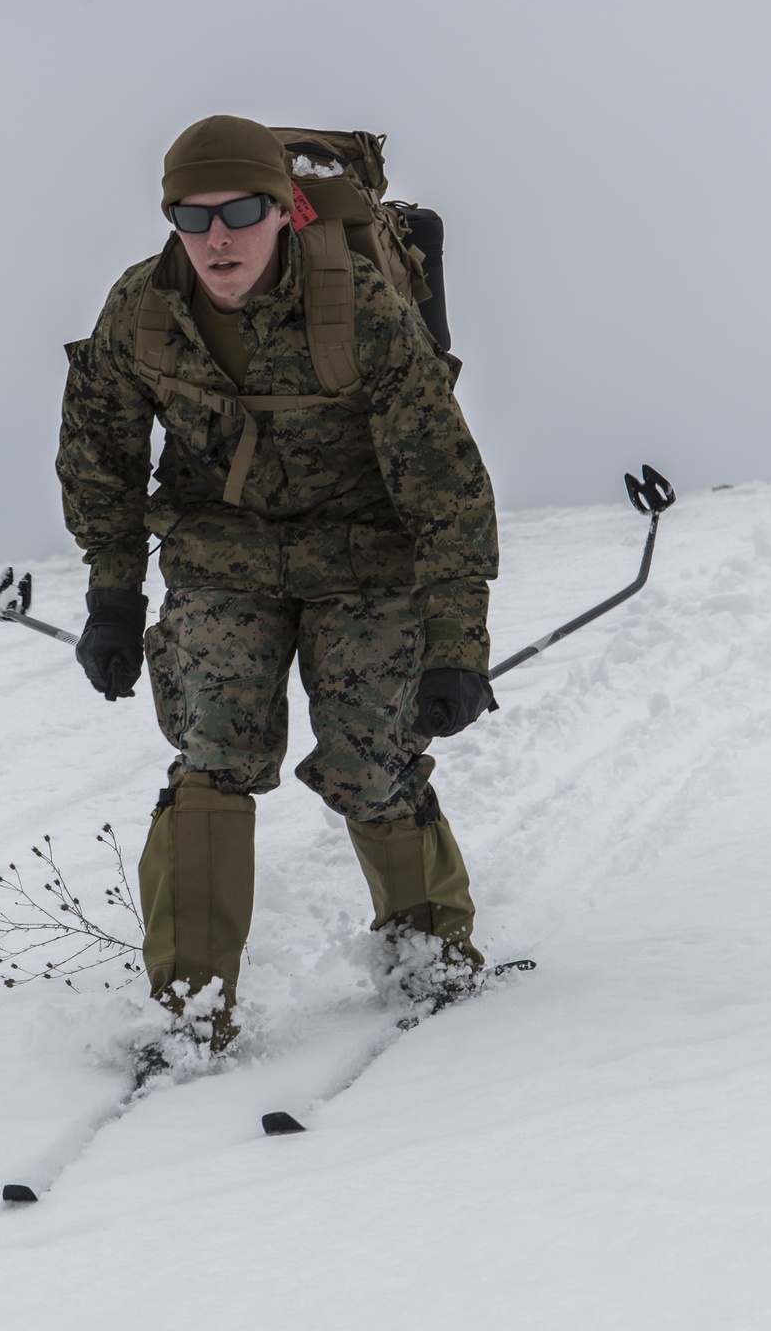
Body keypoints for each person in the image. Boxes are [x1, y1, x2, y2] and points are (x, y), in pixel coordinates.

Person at [56, 115, 499, 1053]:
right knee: (215, 755)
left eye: (243, 211)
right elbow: (99, 455)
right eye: (193, 214)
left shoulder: (361, 309)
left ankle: (429, 953)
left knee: (374, 752)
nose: (218, 237)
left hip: (366, 557)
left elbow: (447, 489)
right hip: (225, 558)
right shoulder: (141, 310)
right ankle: (187, 1003)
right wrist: (112, 598)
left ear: (285, 210)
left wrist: (457, 647)